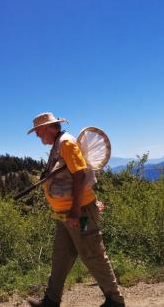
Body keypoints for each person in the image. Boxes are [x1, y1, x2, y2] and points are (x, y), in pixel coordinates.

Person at [26, 112, 125, 307]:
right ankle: (51, 301)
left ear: (47, 128)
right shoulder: (58, 144)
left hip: (79, 213)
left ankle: (115, 300)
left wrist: (76, 210)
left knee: (93, 253)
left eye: (38, 131)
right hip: (65, 214)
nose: (37, 136)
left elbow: (80, 176)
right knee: (61, 256)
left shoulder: (66, 143)